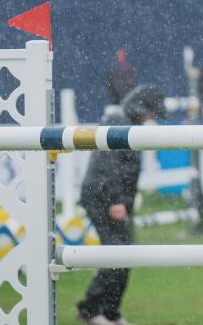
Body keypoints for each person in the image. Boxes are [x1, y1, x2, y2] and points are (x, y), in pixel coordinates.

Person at [76, 84, 167, 325]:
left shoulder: (126, 121)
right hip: (103, 198)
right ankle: (91, 309)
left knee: (123, 253)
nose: (153, 118)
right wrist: (116, 200)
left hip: (109, 198)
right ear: (142, 107)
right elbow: (109, 165)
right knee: (118, 252)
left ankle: (109, 312)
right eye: (152, 112)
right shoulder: (119, 121)